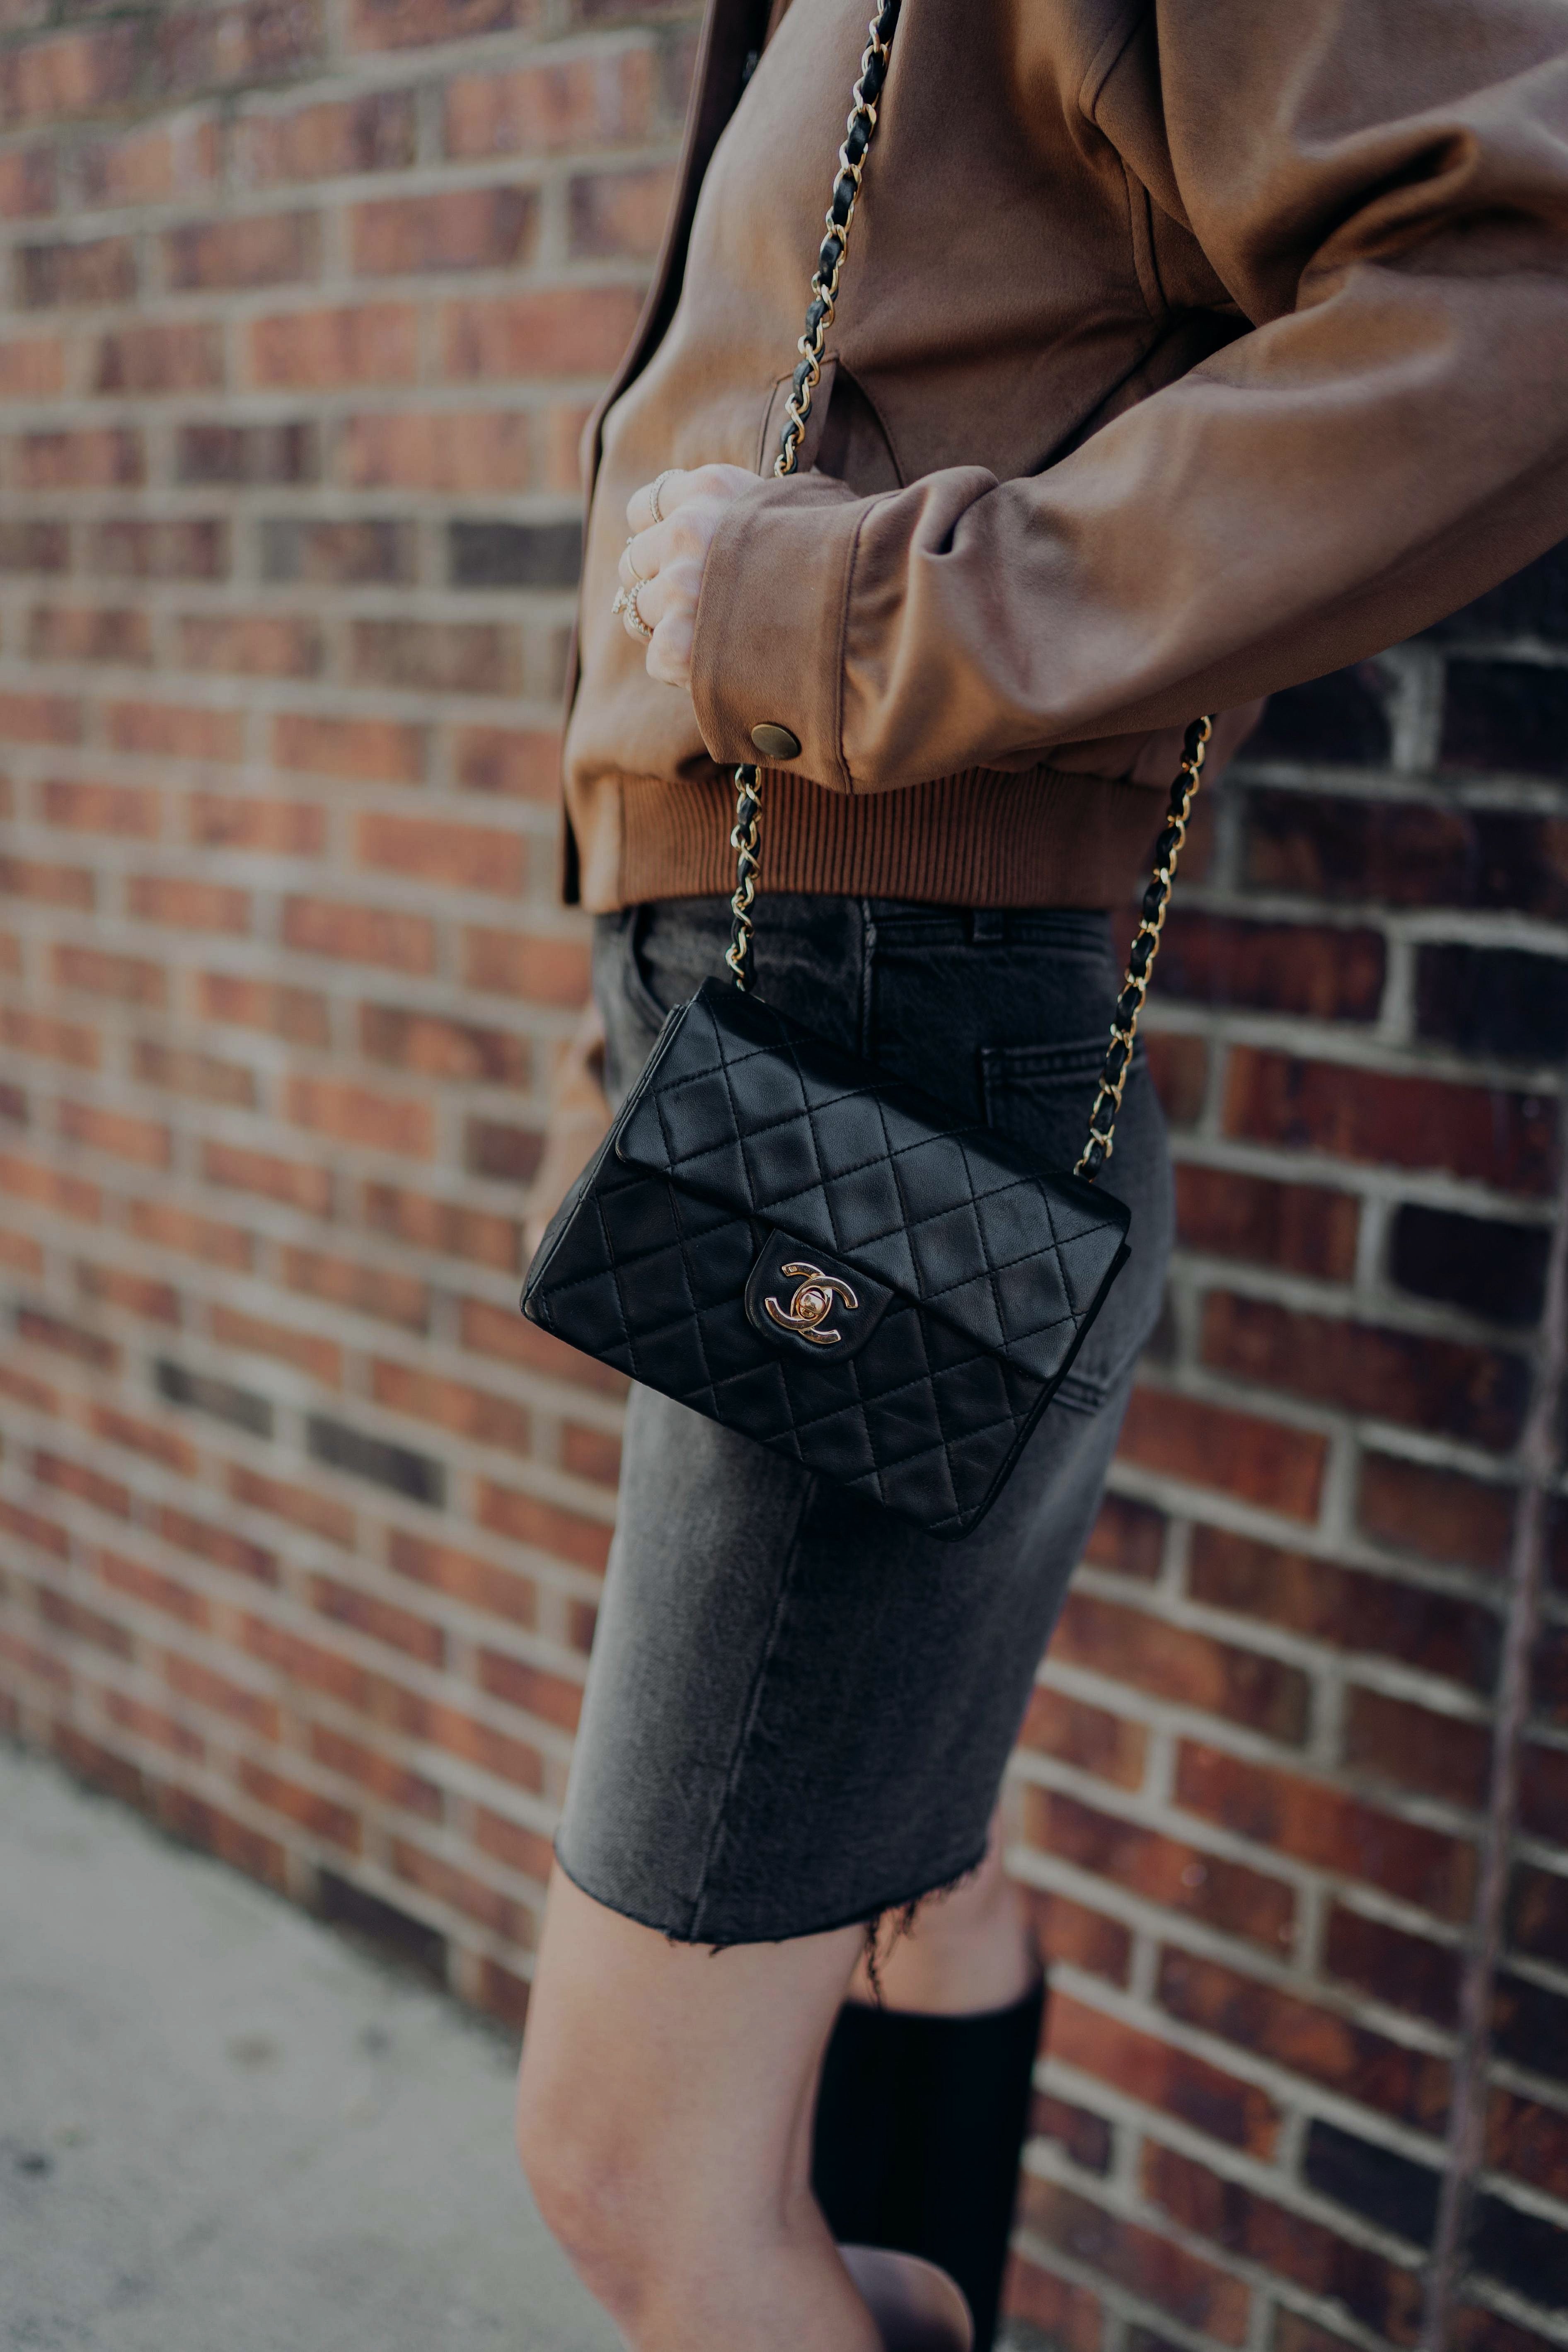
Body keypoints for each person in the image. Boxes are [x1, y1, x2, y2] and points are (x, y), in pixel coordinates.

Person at [513, 4, 1568, 2346]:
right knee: (905, 1903)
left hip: (888, 1005)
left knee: (631, 2179)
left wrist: (861, 615)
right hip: (789, 999)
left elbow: (1524, 283)